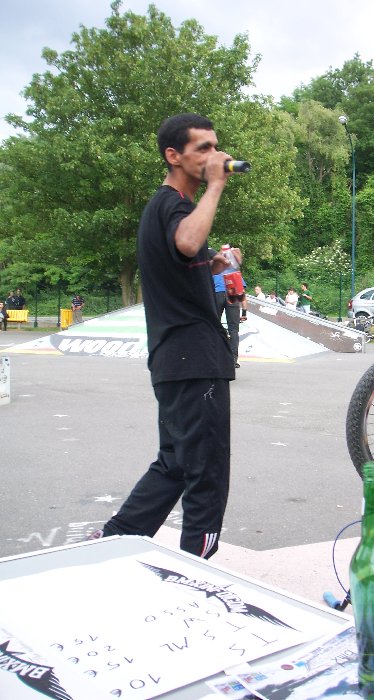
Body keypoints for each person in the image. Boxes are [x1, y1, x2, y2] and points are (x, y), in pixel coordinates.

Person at [89, 113, 237, 559]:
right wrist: (216, 186)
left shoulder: (165, 209)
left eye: (216, 146)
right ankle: (196, 570)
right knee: (207, 472)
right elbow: (188, 242)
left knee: (175, 463)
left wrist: (214, 264)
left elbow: (186, 256)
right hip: (194, 358)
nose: (214, 155)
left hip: (175, 359)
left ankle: (113, 545)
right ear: (173, 155)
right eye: (203, 148)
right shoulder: (175, 204)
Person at [212, 245, 243, 369]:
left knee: (214, 325)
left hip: (218, 293)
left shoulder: (216, 266)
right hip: (232, 292)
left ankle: (215, 356)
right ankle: (233, 359)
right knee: (234, 329)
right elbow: (241, 289)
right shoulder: (234, 268)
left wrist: (220, 253)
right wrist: (244, 310)